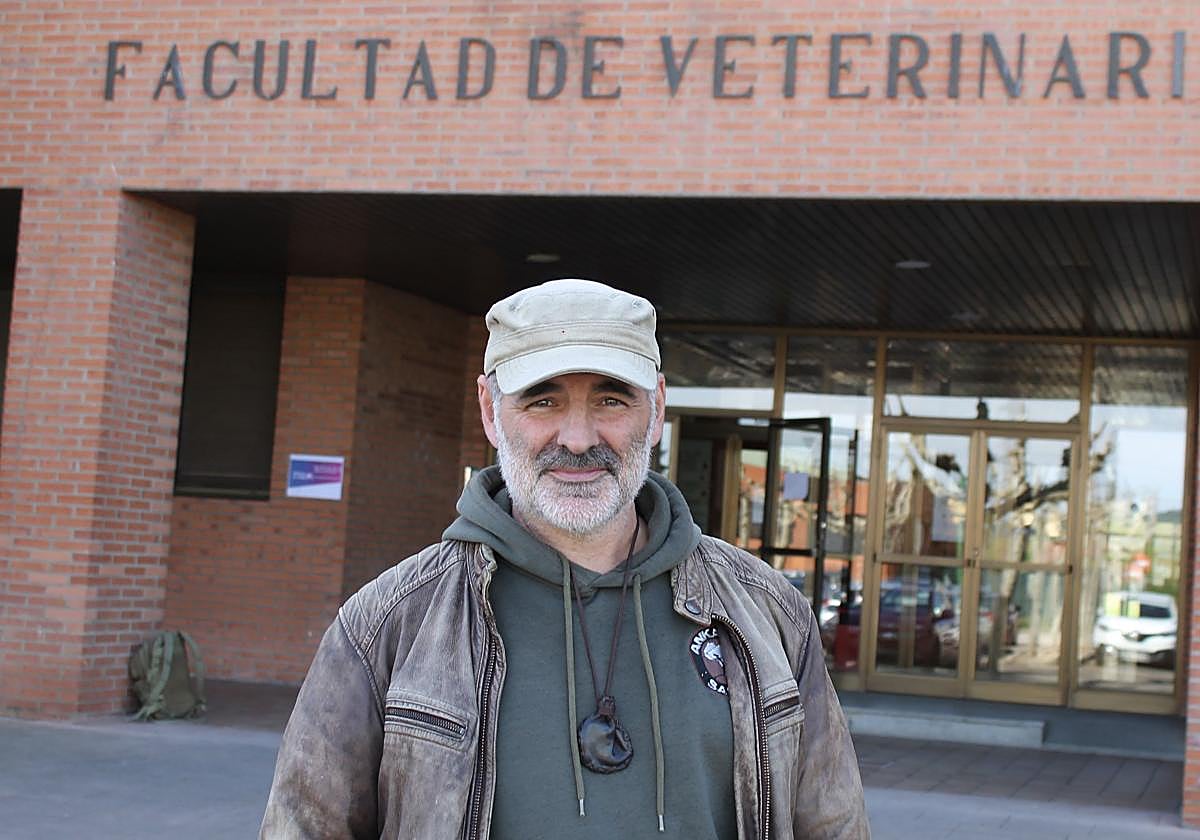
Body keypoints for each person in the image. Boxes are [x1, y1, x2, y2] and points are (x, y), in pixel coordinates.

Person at [260, 278, 870, 839]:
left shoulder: (767, 614)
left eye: (611, 400)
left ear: (656, 407)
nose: (577, 440)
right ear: (488, 410)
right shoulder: (387, 626)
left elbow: (834, 825)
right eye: (542, 402)